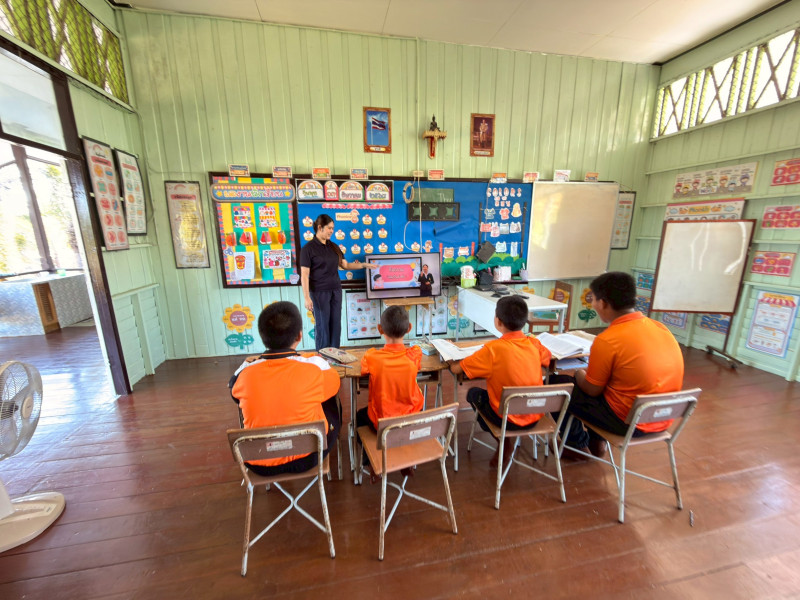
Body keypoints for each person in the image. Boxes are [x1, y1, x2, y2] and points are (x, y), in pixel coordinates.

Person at [554, 272, 684, 458]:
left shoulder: (608, 339)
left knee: (559, 385)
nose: (593, 304)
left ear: (603, 303)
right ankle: (597, 443)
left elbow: (591, 390)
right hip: (664, 417)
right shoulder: (660, 328)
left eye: (593, 299)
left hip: (628, 422)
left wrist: (579, 374)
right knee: (610, 385)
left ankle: (576, 445)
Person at [229, 301, 341, 476]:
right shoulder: (314, 367)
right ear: (299, 336)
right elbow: (334, 384)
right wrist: (309, 357)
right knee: (330, 401)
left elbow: (234, 393)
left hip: (259, 461)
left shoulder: (244, 374)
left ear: (263, 337)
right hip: (309, 456)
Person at [449, 295, 551, 467]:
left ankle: (503, 441)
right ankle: (508, 441)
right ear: (524, 321)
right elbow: (547, 358)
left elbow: (457, 370)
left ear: (498, 321)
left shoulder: (492, 350)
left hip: (506, 420)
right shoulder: (534, 344)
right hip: (535, 415)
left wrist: (450, 360)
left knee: (473, 394)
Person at [355, 305, 424, 479]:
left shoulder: (372, 357)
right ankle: (406, 460)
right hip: (411, 421)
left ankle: (371, 461)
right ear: (409, 328)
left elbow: (363, 369)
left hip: (382, 424)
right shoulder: (415, 354)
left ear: (380, 329)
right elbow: (417, 360)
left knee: (359, 418)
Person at [300, 214, 376, 350]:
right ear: (320, 227)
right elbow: (304, 275)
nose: (332, 231)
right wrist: (307, 298)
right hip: (319, 292)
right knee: (322, 324)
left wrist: (364, 265)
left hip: (336, 290)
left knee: (335, 323)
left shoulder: (334, 246)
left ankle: (334, 353)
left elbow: (345, 265)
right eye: (329, 228)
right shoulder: (308, 249)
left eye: (333, 228)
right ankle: (323, 354)